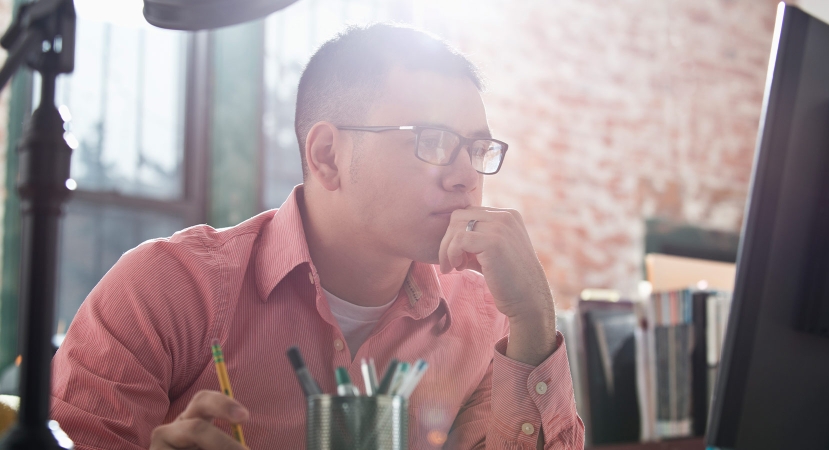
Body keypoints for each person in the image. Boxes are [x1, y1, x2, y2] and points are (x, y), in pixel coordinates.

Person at [50, 23, 585, 449]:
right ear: (327, 155)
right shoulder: (171, 290)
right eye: (433, 140)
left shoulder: (485, 321)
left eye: (477, 148)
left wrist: (535, 320)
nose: (466, 174)